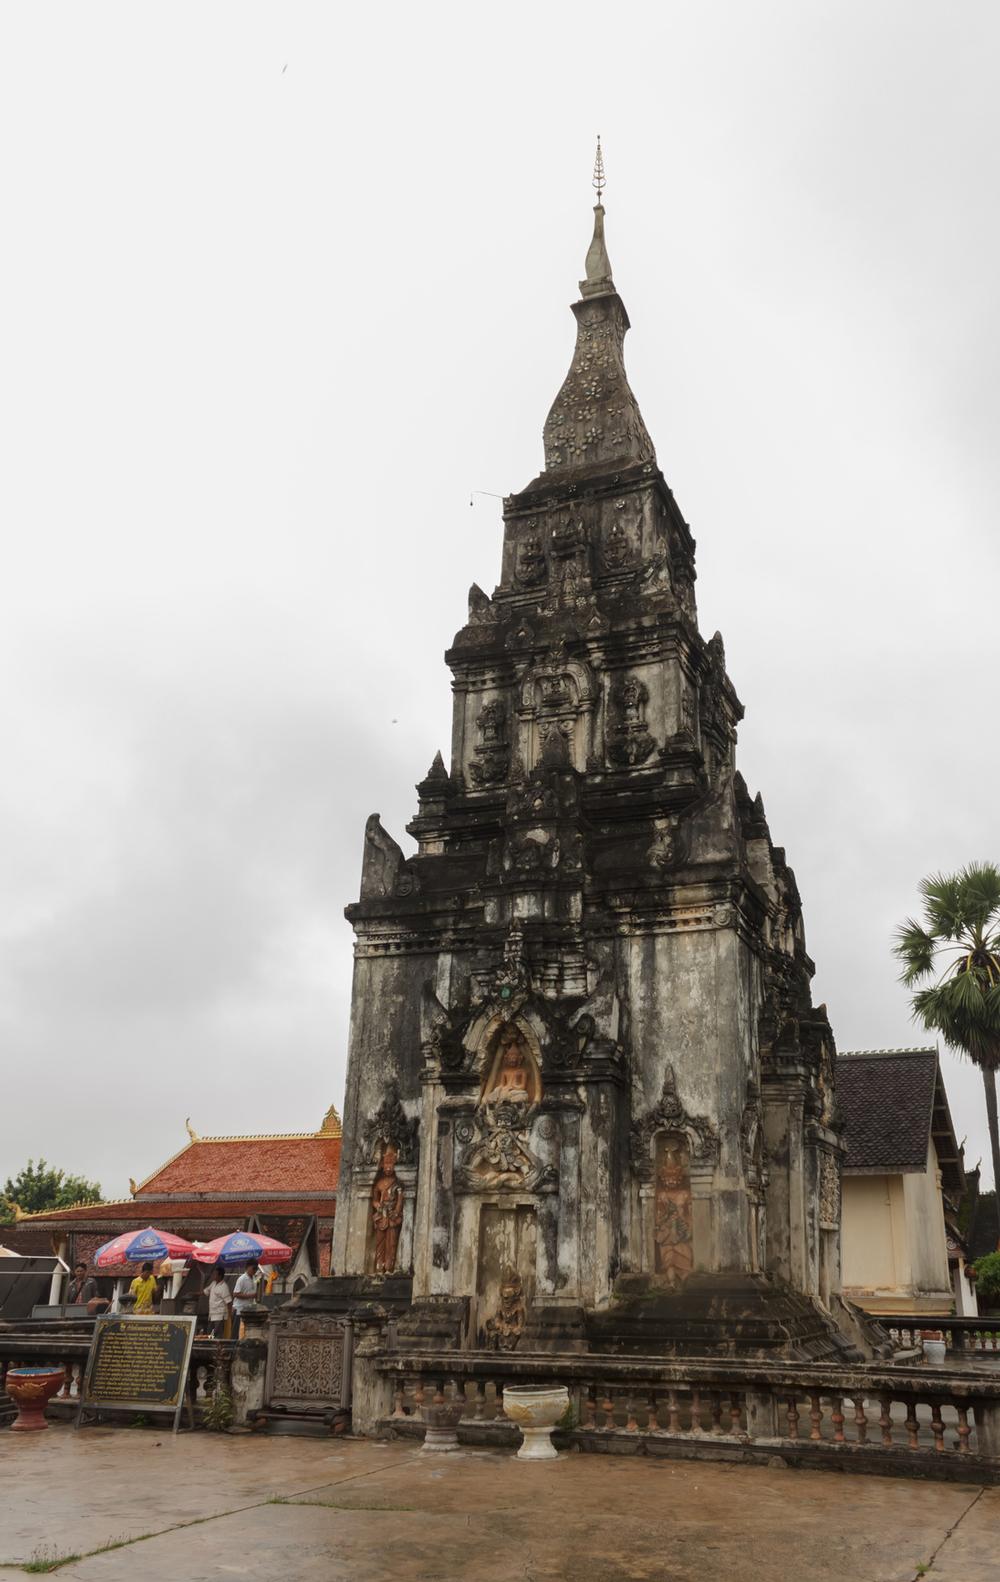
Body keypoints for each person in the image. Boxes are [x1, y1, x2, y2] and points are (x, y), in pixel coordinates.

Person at [232, 1259, 260, 1335]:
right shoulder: (242, 1279)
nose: (254, 1271)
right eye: (253, 1268)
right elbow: (235, 1294)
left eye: (256, 1269)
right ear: (248, 1267)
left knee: (244, 1333)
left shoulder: (254, 1279)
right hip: (239, 1310)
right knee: (236, 1333)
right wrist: (251, 1296)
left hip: (248, 1310)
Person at [206, 1266, 232, 1339]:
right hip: (212, 1314)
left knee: (217, 1334)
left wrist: (229, 1315)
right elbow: (206, 1291)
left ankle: (216, 1349)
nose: (213, 1276)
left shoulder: (224, 1287)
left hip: (220, 1315)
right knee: (210, 1334)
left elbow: (229, 1302)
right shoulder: (213, 1283)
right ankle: (210, 1348)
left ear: (220, 1276)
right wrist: (194, 1293)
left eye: (215, 1274)